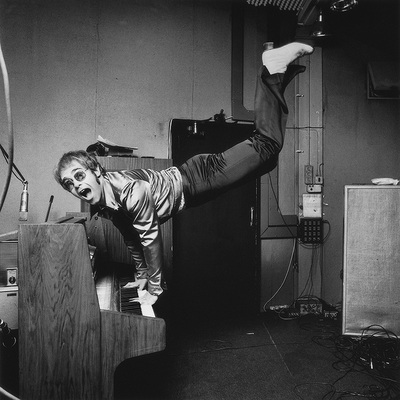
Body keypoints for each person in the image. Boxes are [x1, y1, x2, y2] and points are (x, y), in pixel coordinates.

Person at [54, 41, 313, 306]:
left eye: (78, 175)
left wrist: (154, 287)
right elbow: (130, 236)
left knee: (267, 145)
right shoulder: (108, 204)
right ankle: (277, 79)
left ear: (96, 170)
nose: (76, 185)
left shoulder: (130, 193)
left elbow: (150, 239)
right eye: (69, 184)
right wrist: (142, 274)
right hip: (193, 186)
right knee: (267, 162)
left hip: (199, 177)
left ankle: (271, 71)